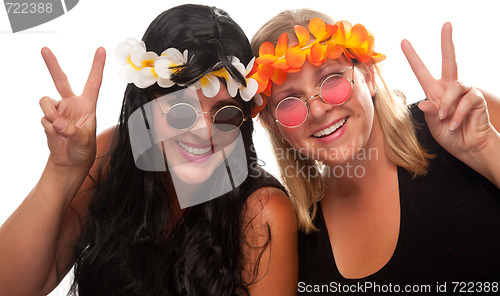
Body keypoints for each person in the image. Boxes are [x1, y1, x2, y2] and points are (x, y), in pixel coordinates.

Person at [0, 4, 298, 296]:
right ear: (146, 106)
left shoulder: (262, 212)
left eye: (226, 115)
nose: (205, 133)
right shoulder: (112, 153)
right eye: (182, 110)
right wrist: (62, 170)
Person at [249, 8, 500, 288]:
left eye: (331, 80)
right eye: (290, 102)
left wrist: (487, 148)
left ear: (368, 77)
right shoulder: (298, 242)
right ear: (273, 124)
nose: (318, 110)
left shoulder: (469, 121)